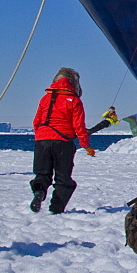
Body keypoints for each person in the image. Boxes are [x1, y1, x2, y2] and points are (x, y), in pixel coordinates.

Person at [30, 68, 94, 214]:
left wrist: (40, 136)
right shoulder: (74, 100)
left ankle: (39, 192)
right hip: (63, 142)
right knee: (64, 179)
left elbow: (36, 121)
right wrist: (86, 145)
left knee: (42, 174)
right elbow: (79, 126)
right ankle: (56, 209)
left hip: (42, 140)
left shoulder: (45, 98)